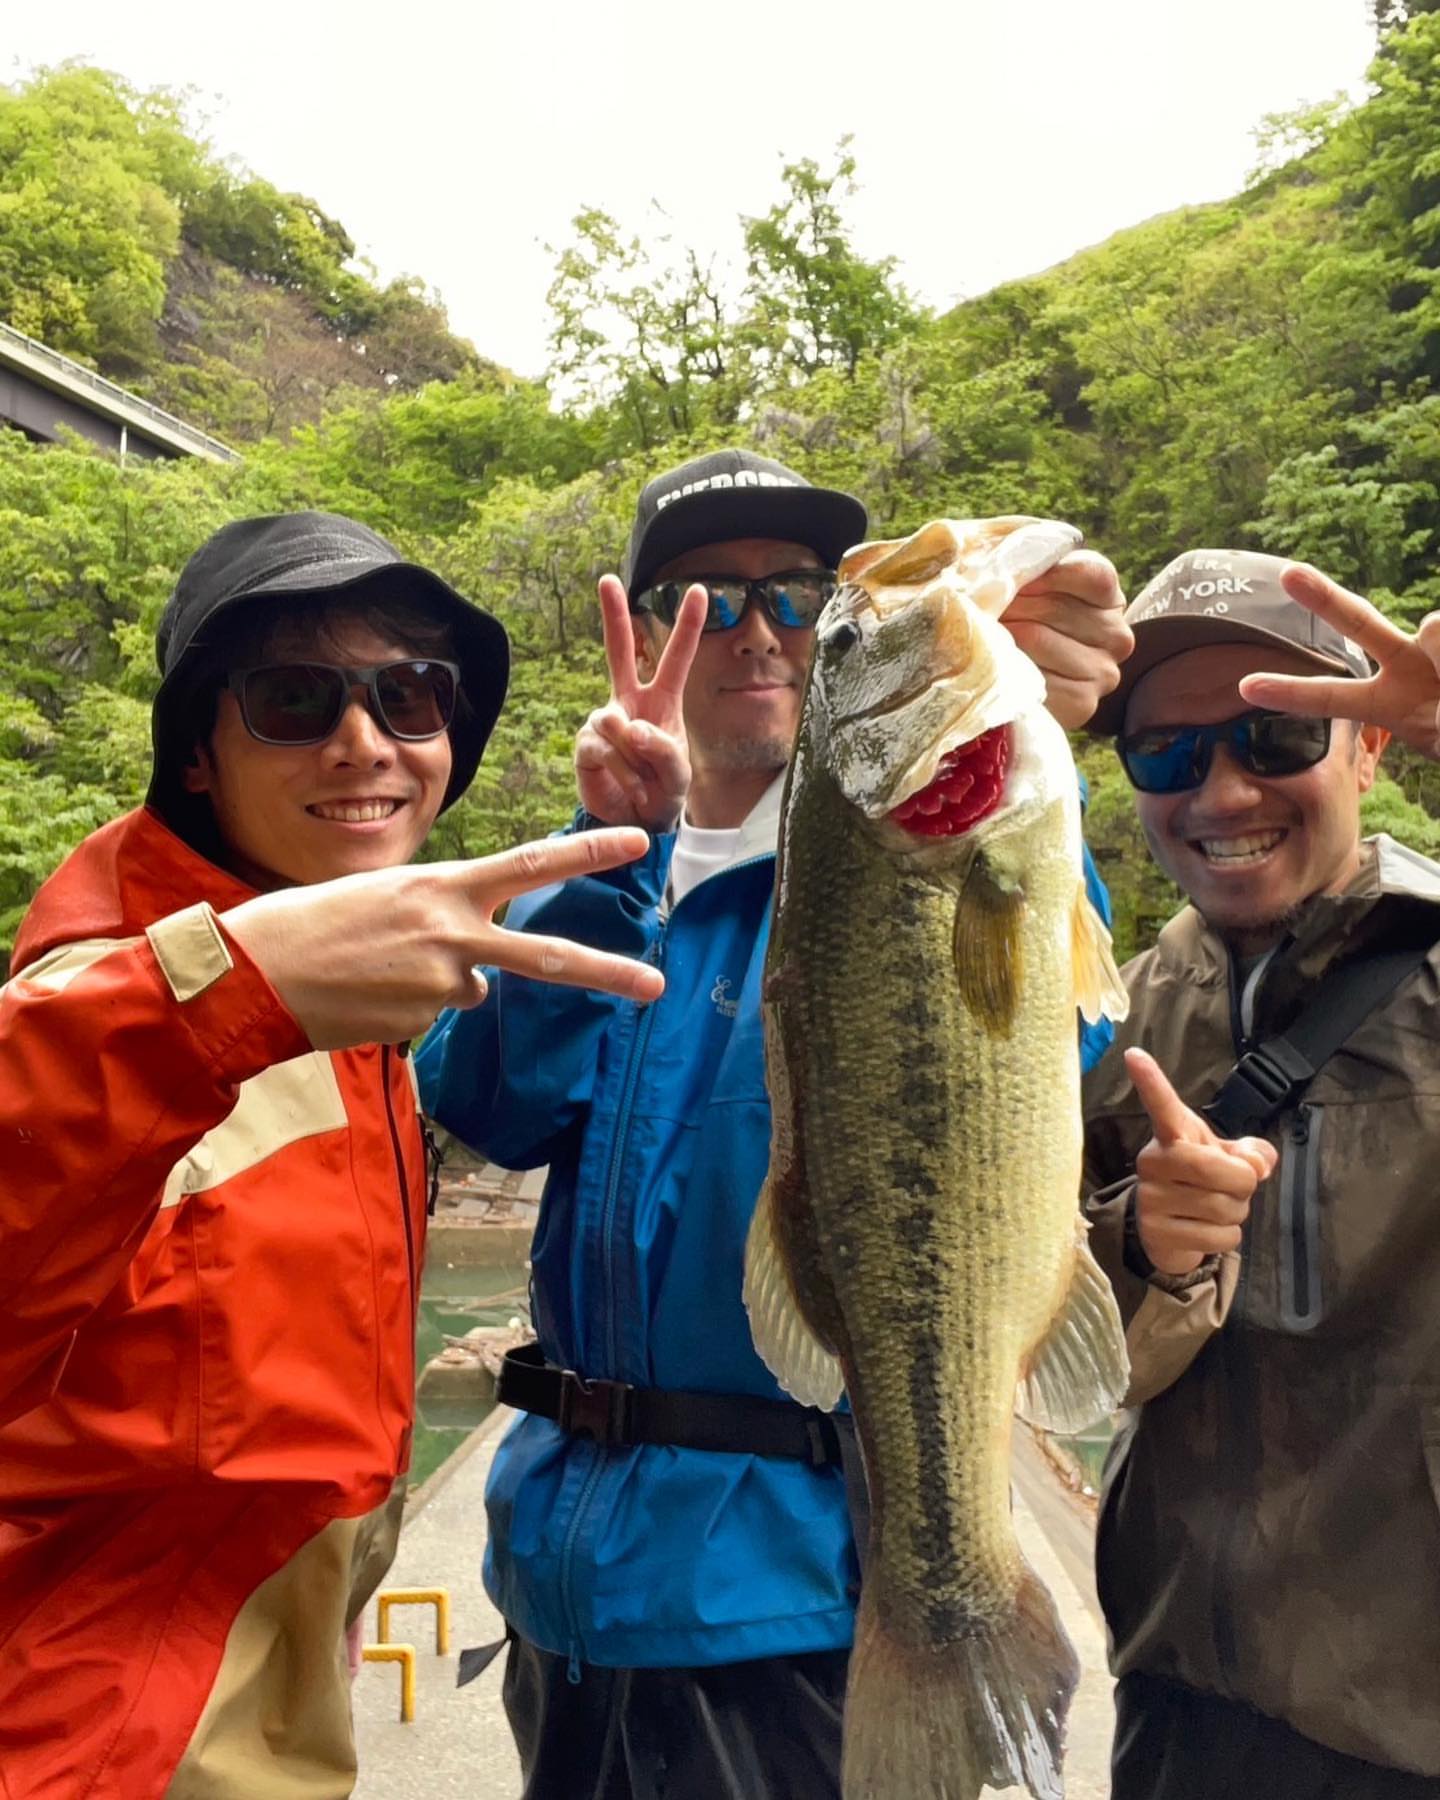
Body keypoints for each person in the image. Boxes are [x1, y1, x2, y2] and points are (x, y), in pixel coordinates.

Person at [418, 448, 1132, 1798]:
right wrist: (604, 852)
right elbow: (489, 1106)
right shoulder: (591, 879)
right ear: (648, 638)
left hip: (792, 1597)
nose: (761, 630)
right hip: (562, 1596)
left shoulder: (946, 850)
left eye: (801, 597)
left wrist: (1042, 730)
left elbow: (1060, 1030)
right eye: (706, 600)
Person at [0, 511, 664, 1800]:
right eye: (295, 699)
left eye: (410, 696)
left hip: (259, 1721)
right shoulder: (122, 994)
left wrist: (333, 1581)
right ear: (199, 752)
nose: (365, 740)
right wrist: (221, 994)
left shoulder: (348, 1008)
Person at [1082, 549, 1440, 1799]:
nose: (1223, 791)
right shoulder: (1102, 1025)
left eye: (1276, 734)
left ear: (1371, 745)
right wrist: (1147, 1248)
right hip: (1179, 1704)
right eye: (1167, 754)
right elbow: (1049, 1351)